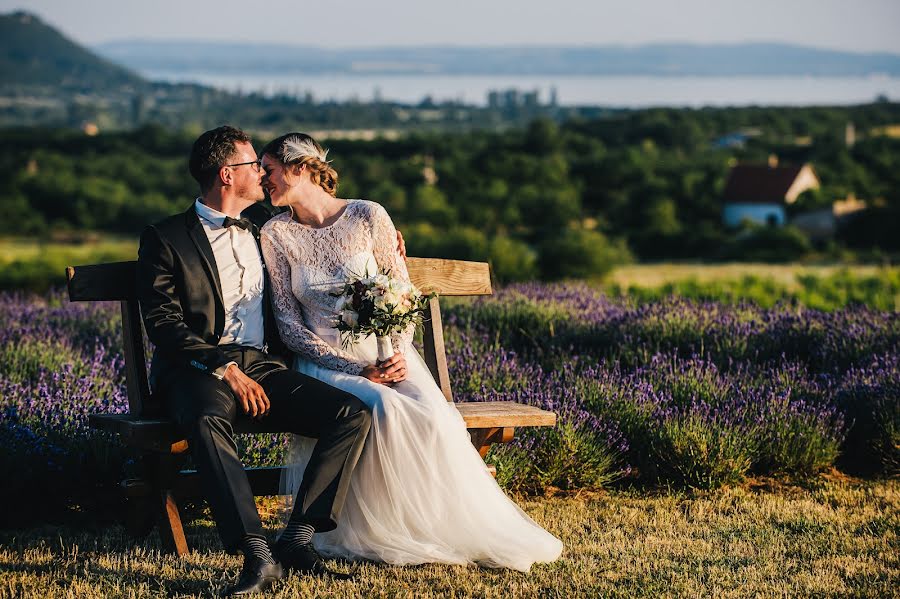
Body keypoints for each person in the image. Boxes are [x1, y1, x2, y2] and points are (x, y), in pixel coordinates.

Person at [259, 132, 563, 572]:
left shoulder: (367, 215)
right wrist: (356, 367)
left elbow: (400, 293)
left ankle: (439, 524)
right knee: (382, 407)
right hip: (327, 359)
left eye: (268, 171)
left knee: (438, 417)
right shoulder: (275, 232)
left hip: (387, 351)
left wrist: (395, 352)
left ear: (300, 169)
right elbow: (288, 322)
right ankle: (382, 530)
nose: (263, 180)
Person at [136, 126, 398, 596]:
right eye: (253, 164)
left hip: (263, 366)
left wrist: (391, 241)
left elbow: (328, 229)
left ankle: (298, 538)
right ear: (225, 174)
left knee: (349, 413)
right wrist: (222, 366)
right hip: (200, 370)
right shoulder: (165, 238)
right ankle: (257, 553)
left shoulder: (267, 226)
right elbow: (163, 323)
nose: (262, 171)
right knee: (204, 417)